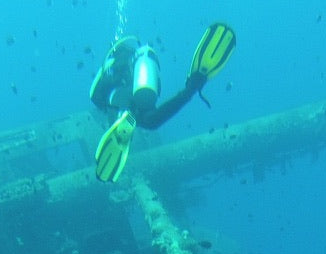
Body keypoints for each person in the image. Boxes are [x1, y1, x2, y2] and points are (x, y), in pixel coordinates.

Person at [89, 23, 236, 182]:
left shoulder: (112, 66)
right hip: (144, 96)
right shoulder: (141, 64)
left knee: (120, 112)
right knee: (152, 120)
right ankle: (190, 90)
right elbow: (155, 88)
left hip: (119, 98)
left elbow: (96, 96)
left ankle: (123, 116)